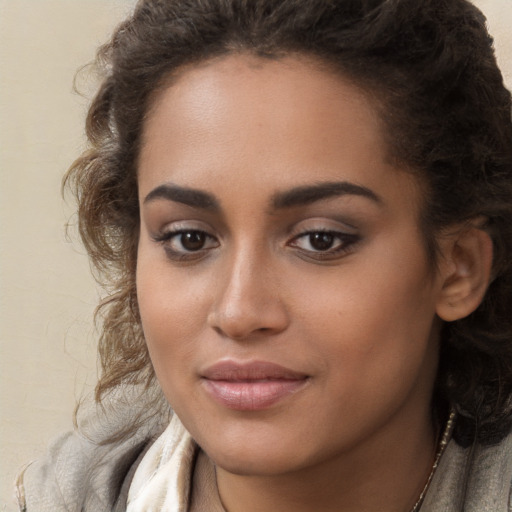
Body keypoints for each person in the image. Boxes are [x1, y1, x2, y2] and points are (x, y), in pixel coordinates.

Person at [15, 0, 512, 510]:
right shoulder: (68, 494)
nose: (239, 312)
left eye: (321, 239)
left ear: (459, 267)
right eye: (189, 239)